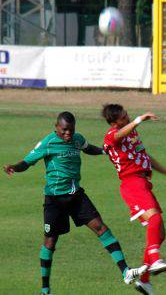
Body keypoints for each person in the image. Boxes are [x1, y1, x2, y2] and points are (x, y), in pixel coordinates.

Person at [3, 112, 146, 295]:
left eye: (71, 129)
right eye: (64, 130)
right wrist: (14, 167)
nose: (68, 133)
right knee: (50, 242)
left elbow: (87, 148)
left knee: (101, 228)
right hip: (55, 200)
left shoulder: (77, 139)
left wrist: (104, 150)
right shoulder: (48, 143)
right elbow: (27, 162)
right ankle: (45, 291)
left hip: (76, 196)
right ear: (56, 127)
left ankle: (126, 272)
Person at [101, 104, 166, 295]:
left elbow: (145, 157)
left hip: (143, 183)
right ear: (114, 122)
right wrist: (139, 120)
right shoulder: (111, 135)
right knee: (154, 219)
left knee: (160, 234)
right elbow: (117, 136)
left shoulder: (131, 134)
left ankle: (145, 282)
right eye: (123, 118)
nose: (128, 118)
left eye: (127, 115)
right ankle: (155, 259)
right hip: (131, 184)